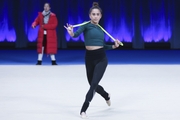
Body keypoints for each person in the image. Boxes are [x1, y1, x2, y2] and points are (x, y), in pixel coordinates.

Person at [64, 2, 121, 119]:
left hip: (101, 58)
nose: (95, 16)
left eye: (97, 14)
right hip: (89, 58)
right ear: (90, 15)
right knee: (92, 84)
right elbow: (75, 34)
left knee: (93, 84)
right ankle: (106, 95)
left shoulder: (101, 29)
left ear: (100, 16)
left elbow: (103, 45)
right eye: (93, 14)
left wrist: (114, 46)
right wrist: (71, 33)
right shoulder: (86, 25)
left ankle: (83, 109)